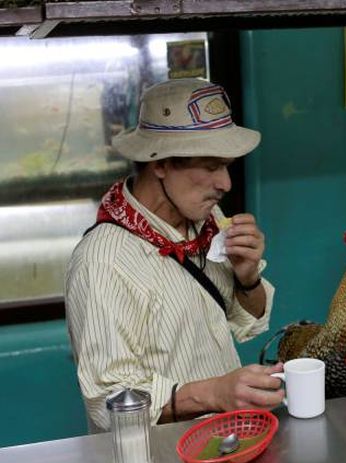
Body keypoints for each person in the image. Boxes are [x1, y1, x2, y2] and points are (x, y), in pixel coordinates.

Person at [65, 78, 284, 431]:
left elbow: (249, 321)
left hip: (224, 442)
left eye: (226, 166)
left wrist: (247, 277)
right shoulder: (103, 261)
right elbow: (109, 402)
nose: (225, 183)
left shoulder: (205, 222)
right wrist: (214, 393)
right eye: (211, 166)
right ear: (161, 164)